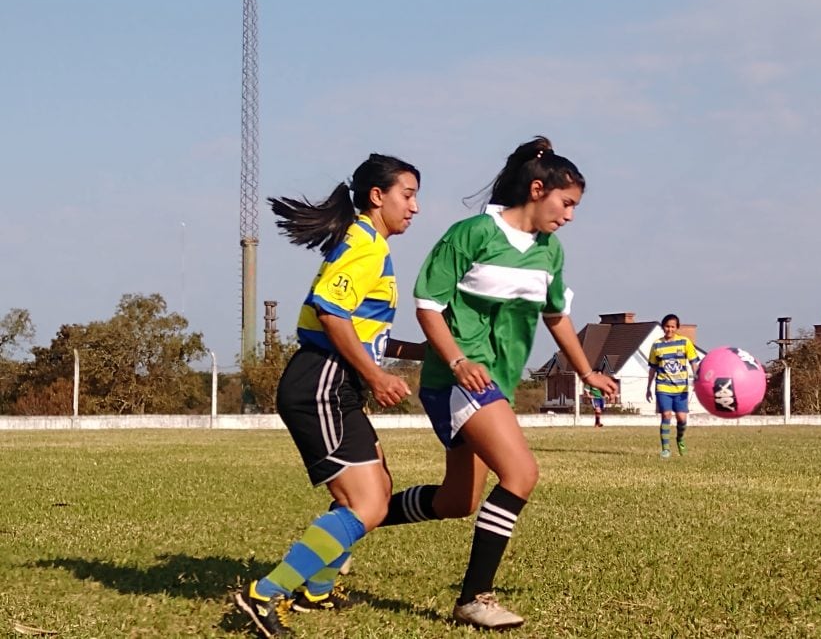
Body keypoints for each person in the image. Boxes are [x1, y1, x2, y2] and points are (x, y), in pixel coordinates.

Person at [380, 136, 616, 630]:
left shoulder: (549, 252)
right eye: (566, 203)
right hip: (457, 379)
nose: (570, 216)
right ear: (537, 189)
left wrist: (586, 371)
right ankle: (474, 599)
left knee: (456, 501)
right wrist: (459, 360)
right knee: (522, 474)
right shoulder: (472, 234)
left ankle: (358, 517)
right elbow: (428, 306)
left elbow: (557, 317)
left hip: (494, 385)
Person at [234, 154, 424, 638]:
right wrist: (377, 377)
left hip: (332, 382)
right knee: (366, 505)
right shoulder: (365, 243)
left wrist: (419, 351)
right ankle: (264, 595)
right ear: (377, 196)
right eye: (408, 194)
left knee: (376, 493)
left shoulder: (368, 242)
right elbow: (331, 314)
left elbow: (360, 326)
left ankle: (314, 591)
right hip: (322, 381)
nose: (415, 207)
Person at [645, 314, 701, 458]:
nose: (669, 329)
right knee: (666, 415)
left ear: (677, 328)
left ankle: (680, 439)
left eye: (672, 327)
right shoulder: (657, 345)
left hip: (681, 388)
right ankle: (666, 448)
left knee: (682, 419)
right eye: (667, 326)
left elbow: (693, 362)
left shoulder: (684, 342)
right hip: (663, 387)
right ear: (663, 327)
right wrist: (648, 387)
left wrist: (696, 377)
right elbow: (652, 368)